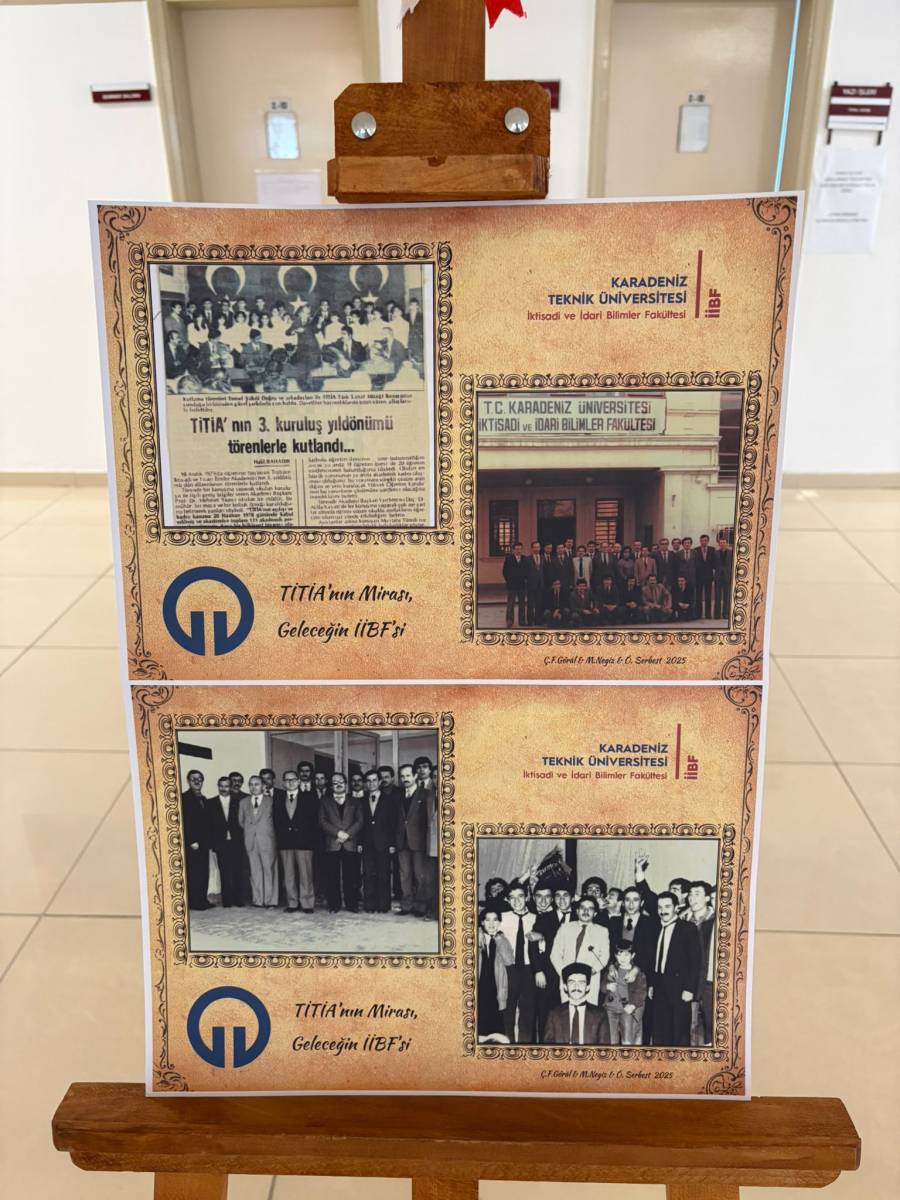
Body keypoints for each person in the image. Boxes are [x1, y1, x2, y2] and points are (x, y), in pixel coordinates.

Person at [649, 892, 702, 1046]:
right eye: (659, 907)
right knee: (659, 1032)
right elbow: (653, 959)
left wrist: (689, 989)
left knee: (679, 1034)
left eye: (667, 906)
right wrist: (652, 984)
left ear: (676, 908)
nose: (663, 911)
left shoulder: (687, 928)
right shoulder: (655, 927)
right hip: (659, 987)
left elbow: (695, 961)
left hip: (680, 989)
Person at [499, 882, 543, 1043]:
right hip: (508, 968)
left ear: (527, 897)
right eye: (512, 898)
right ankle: (507, 1044)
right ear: (507, 900)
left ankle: (526, 1045)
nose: (517, 901)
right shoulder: (502, 917)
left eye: (520, 896)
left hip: (528, 969)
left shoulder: (536, 918)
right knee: (507, 1010)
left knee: (528, 1011)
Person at [273, 769, 319, 913]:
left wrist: (311, 840)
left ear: (299, 781)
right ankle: (292, 903)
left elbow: (315, 821)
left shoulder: (310, 798)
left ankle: (307, 903)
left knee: (306, 875)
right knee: (289, 875)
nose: (290, 782)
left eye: (293, 779)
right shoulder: (278, 799)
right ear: (283, 783)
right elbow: (275, 821)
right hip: (285, 842)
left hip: (304, 842)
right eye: (287, 780)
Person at [550, 895, 610, 1006]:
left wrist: (590, 972)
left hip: (590, 980)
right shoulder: (565, 928)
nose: (586, 911)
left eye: (590, 909)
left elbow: (604, 957)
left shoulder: (602, 931)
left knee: (588, 1013)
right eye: (583, 908)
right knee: (567, 1011)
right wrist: (564, 974)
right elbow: (555, 955)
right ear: (577, 911)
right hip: (567, 980)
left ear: (595, 913)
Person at [319, 771, 363, 913]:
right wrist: (338, 833)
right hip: (332, 843)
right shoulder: (325, 802)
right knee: (332, 876)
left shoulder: (355, 802)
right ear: (331, 786)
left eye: (341, 782)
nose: (338, 785)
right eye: (335, 782)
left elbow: (360, 821)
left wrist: (347, 834)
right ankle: (334, 905)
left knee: (351, 876)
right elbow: (322, 821)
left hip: (350, 843)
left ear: (346, 784)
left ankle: (352, 904)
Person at [361, 769, 400, 913]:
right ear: (366, 783)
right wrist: (359, 843)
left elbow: (394, 823)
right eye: (368, 781)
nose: (371, 783)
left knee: (383, 874)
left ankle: (383, 905)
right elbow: (360, 823)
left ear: (379, 782)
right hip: (367, 843)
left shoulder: (389, 800)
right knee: (368, 874)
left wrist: (392, 844)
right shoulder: (361, 801)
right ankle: (370, 905)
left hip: (384, 843)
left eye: (374, 780)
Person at [683, 880, 716, 1046]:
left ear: (707, 898)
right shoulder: (683, 919)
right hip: (687, 982)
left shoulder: (714, 921)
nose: (692, 898)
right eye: (690, 894)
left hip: (708, 981)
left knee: (710, 1025)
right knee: (689, 1026)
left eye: (697, 894)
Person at [239, 775, 278, 908]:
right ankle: (258, 899)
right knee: (255, 871)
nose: (253, 787)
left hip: (267, 840)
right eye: (251, 784)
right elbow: (241, 821)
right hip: (250, 840)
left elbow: (276, 821)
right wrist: (251, 831)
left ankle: (270, 900)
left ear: (263, 786)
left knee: (269, 870)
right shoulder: (243, 802)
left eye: (256, 784)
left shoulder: (271, 801)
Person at [395, 763, 429, 916]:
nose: (405, 779)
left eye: (408, 775)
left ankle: (420, 906)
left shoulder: (425, 794)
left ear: (415, 776)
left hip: (419, 841)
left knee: (419, 874)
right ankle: (406, 905)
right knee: (404, 874)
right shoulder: (398, 795)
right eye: (402, 776)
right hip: (401, 841)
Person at [543, 963, 605, 1046]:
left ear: (588, 987)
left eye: (581, 982)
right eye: (572, 982)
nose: (576, 986)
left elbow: (605, 1049)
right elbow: (548, 1048)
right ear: (565, 987)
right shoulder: (554, 1014)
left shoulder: (600, 1015)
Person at [206, 775, 244, 908]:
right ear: (218, 786)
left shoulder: (239, 801)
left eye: (226, 786)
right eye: (221, 786)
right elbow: (208, 825)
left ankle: (238, 899)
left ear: (230, 787)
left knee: (238, 870)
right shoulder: (210, 803)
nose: (224, 789)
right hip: (220, 842)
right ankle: (227, 900)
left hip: (237, 841)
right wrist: (212, 844)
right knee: (224, 871)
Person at [477, 908, 514, 1040]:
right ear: (482, 922)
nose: (491, 924)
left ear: (499, 923)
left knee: (495, 1031)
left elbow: (509, 960)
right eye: (487, 920)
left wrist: (499, 939)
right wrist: (478, 932)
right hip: (478, 988)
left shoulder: (502, 939)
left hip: (495, 990)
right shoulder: (475, 936)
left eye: (495, 920)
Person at [609, 885, 659, 977]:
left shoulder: (651, 923)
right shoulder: (614, 921)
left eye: (635, 900)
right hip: (617, 972)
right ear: (623, 903)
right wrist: (611, 966)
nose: (631, 904)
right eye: (627, 900)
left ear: (642, 903)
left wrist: (637, 969)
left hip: (641, 974)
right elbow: (610, 947)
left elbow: (651, 952)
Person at [603, 943, 648, 1046]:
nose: (622, 958)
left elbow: (641, 992)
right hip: (610, 1010)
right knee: (611, 1039)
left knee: (627, 1040)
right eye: (619, 955)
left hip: (626, 1011)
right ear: (615, 956)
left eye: (626, 955)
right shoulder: (612, 970)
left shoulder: (638, 973)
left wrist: (633, 1005)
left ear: (633, 955)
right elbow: (602, 986)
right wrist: (607, 986)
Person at [181, 769, 211, 911]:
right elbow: (184, 821)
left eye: (199, 778)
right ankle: (194, 902)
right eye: (193, 779)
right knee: (194, 873)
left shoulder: (204, 799)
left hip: (204, 843)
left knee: (204, 871)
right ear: (188, 781)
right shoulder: (184, 798)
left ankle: (202, 900)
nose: (197, 781)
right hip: (193, 843)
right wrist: (191, 840)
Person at [502, 542, 530, 628]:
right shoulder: (508, 559)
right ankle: (509, 621)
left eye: (520, 549)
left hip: (522, 585)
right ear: (513, 550)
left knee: (522, 604)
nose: (518, 551)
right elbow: (504, 572)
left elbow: (527, 571)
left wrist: (525, 580)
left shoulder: (525, 559)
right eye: (517, 549)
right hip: (512, 585)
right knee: (510, 604)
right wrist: (509, 581)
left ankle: (522, 621)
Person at [693, 534, 716, 619]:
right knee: (698, 596)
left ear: (708, 541)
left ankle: (708, 614)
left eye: (705, 540)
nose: (704, 542)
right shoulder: (696, 550)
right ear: (700, 541)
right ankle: (698, 614)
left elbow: (714, 563)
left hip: (709, 576)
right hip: (698, 576)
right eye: (702, 540)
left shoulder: (712, 549)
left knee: (708, 595)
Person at [526, 540, 545, 626]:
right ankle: (530, 621)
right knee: (530, 604)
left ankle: (538, 620)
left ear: (540, 548)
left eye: (538, 547)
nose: (537, 549)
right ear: (532, 548)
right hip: (531, 584)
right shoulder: (527, 559)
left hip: (540, 584)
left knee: (539, 603)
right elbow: (525, 572)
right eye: (535, 547)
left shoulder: (542, 558)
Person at [714, 537, 733, 620]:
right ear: (719, 544)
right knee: (717, 597)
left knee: (726, 597)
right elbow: (713, 564)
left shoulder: (731, 552)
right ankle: (717, 615)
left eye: (724, 542)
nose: (722, 544)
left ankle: (725, 614)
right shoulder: (715, 553)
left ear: (727, 544)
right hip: (718, 577)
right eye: (721, 543)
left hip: (727, 577)